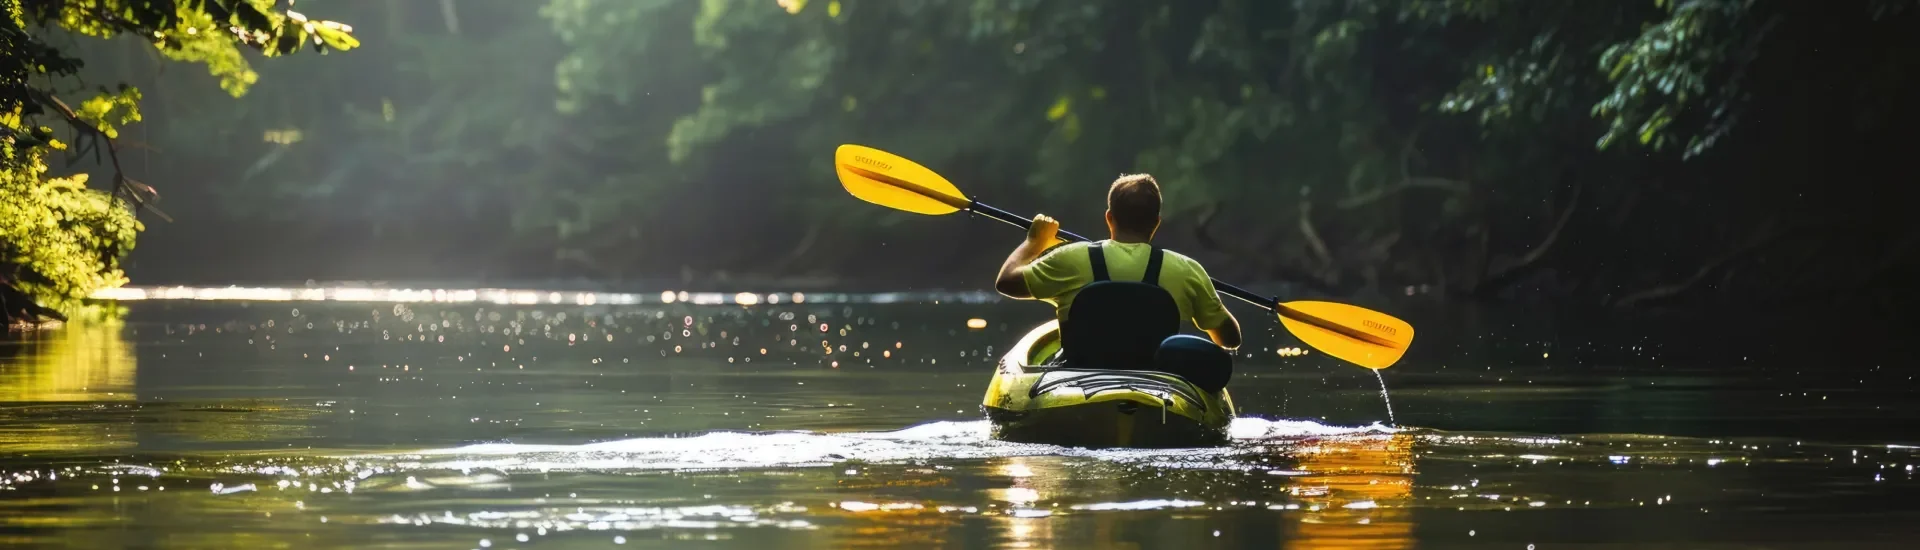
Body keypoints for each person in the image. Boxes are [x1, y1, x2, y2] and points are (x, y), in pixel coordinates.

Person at [993, 174, 1243, 390]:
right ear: (1156, 222)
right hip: (1155, 384)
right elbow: (1230, 339)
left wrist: (1034, 242)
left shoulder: (1070, 258)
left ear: (1109, 218)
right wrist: (1205, 296)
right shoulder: (1187, 270)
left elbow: (1006, 282)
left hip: (1078, 380)